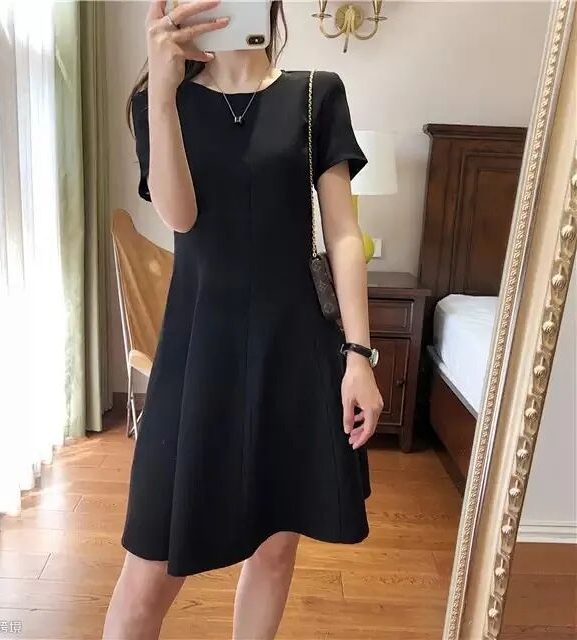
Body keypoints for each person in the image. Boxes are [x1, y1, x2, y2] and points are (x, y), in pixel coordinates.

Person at [103, 1, 383, 638]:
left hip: (294, 351)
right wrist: (163, 93)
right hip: (196, 355)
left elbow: (343, 234)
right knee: (147, 571)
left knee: (275, 550)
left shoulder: (315, 95)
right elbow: (179, 216)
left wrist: (359, 356)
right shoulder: (159, 102)